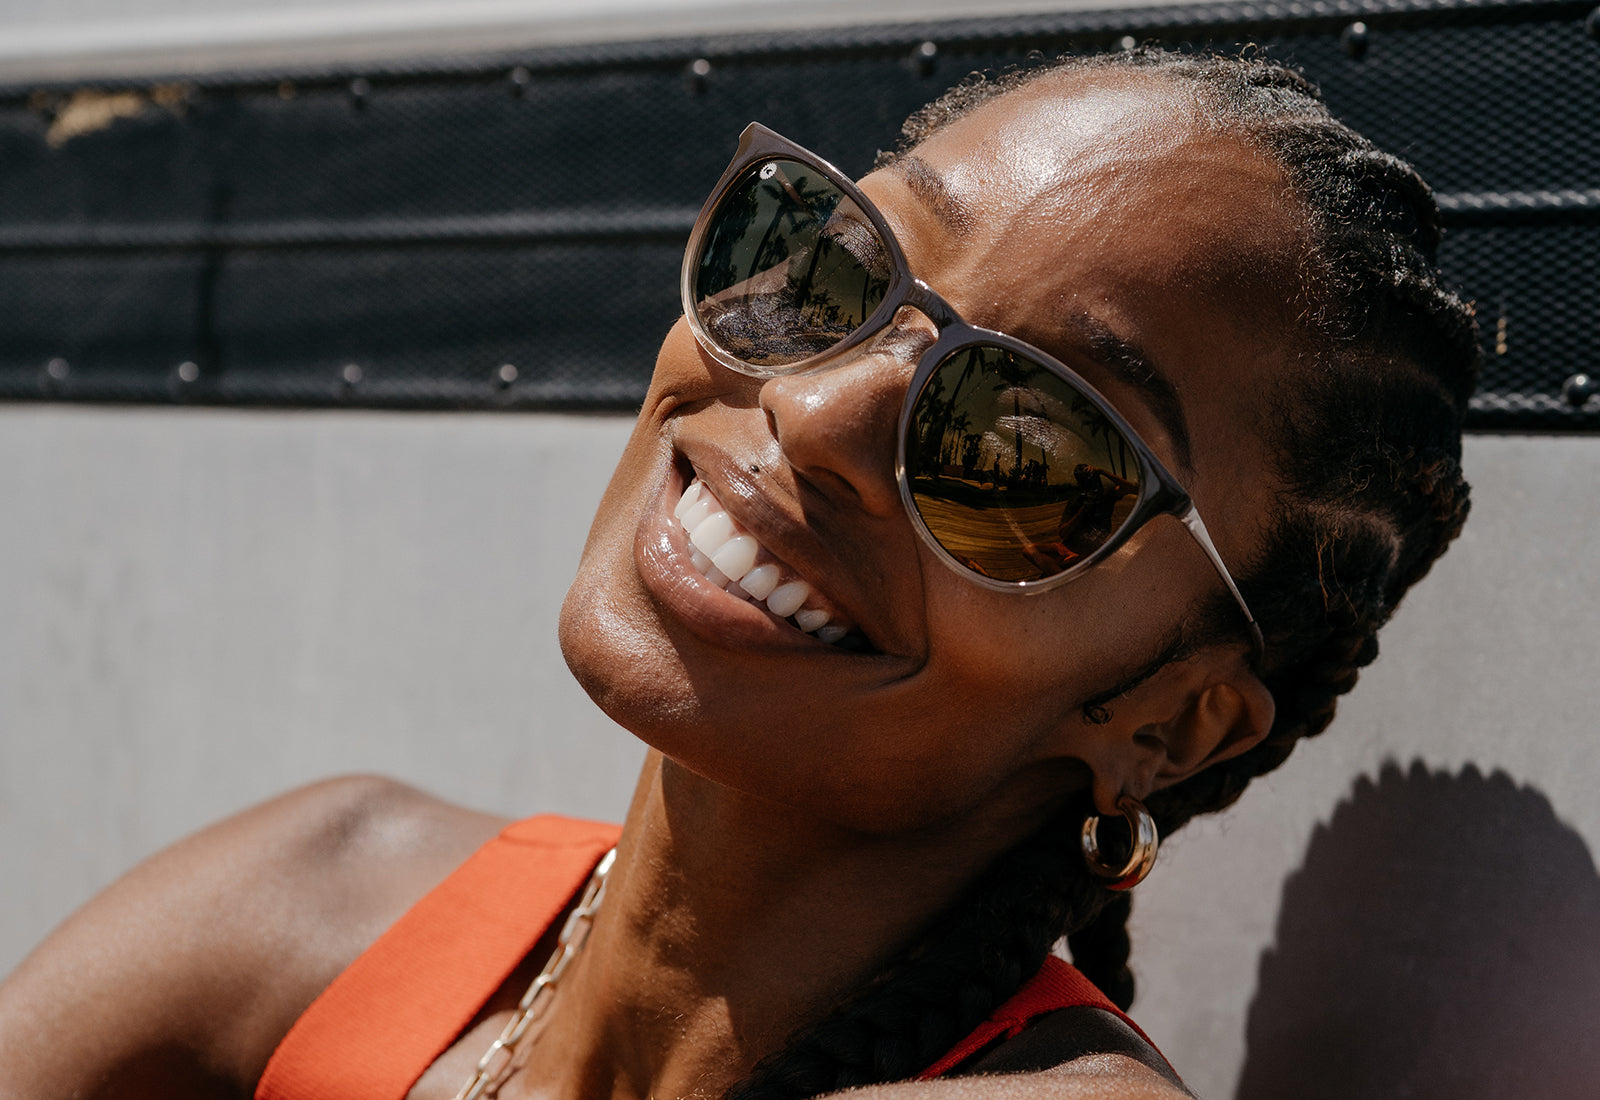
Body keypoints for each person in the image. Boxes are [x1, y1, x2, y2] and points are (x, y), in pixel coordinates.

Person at [0, 47, 1478, 1100]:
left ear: (1167, 716)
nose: (816, 411)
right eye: (836, 267)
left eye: (1021, 443)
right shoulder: (317, 895)